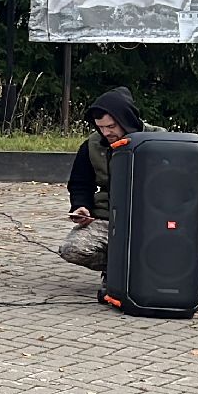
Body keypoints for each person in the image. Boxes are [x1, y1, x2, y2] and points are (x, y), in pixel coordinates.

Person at [60, 87, 150, 272]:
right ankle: (117, 270)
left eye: (111, 127)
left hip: (151, 222)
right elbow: (80, 183)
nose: (106, 133)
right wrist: (81, 206)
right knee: (72, 249)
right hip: (108, 219)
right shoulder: (92, 145)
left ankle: (142, 271)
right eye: (100, 127)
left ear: (127, 120)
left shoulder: (160, 140)